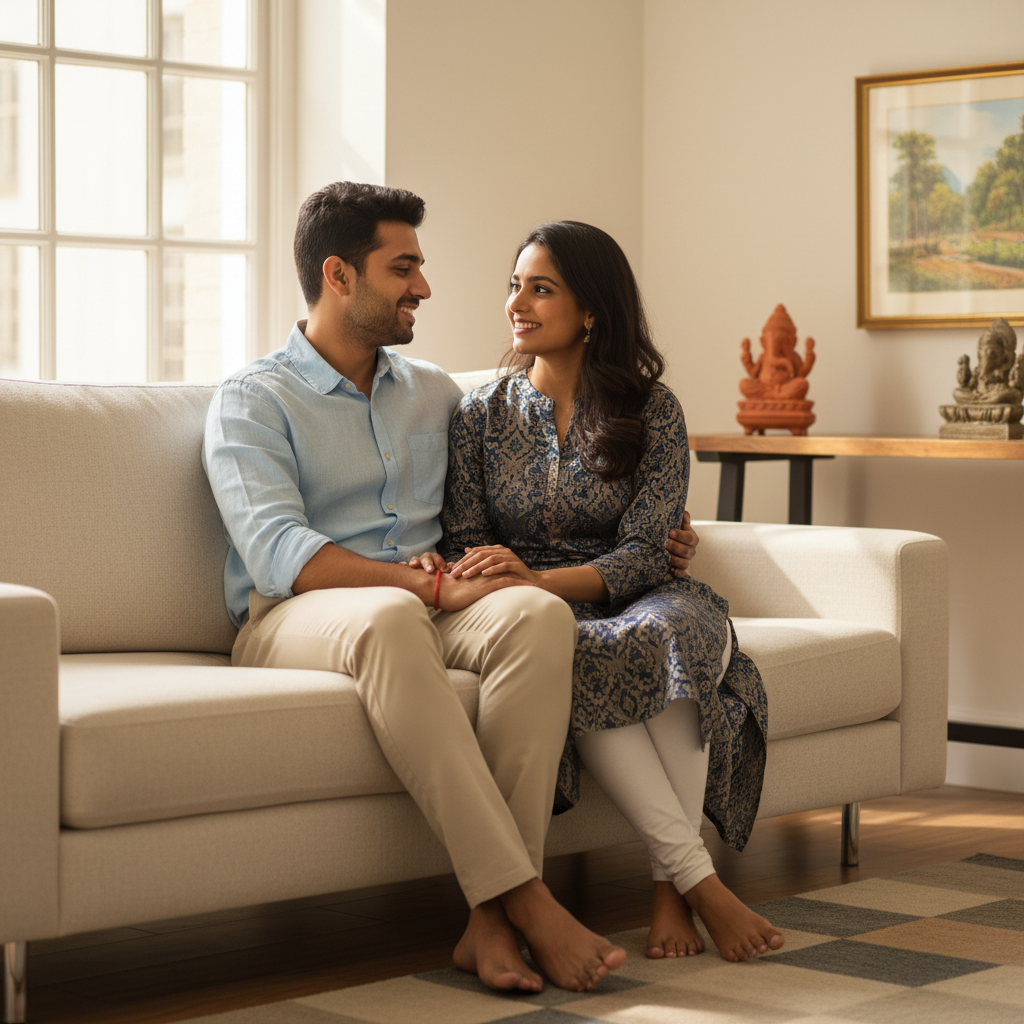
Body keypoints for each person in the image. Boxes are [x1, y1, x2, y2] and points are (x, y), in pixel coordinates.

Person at [202, 183, 696, 993]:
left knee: (537, 614)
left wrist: (667, 537)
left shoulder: (436, 392)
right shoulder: (254, 400)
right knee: (393, 617)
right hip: (294, 619)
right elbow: (277, 552)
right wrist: (416, 586)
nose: (424, 288)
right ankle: (527, 901)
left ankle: (485, 925)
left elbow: (531, 480)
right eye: (404, 269)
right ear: (339, 275)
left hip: (432, 601)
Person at [437, 220, 785, 963]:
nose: (516, 303)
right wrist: (519, 585)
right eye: (513, 285)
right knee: (579, 648)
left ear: (591, 309)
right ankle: (699, 884)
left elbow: (647, 549)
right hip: (543, 614)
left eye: (540, 288)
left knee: (667, 636)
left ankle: (668, 893)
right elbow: (464, 539)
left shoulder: (655, 411)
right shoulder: (480, 414)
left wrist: (538, 576)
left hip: (646, 595)